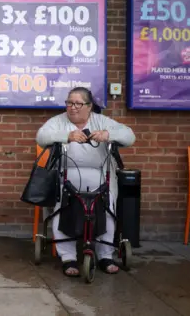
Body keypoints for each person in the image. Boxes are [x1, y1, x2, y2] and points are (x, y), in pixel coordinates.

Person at [35, 87, 135, 277]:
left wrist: (108, 135)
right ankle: (68, 257)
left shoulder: (101, 120)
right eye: (69, 103)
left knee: (107, 207)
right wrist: (66, 136)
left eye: (78, 104)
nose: (72, 108)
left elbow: (129, 136)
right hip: (67, 176)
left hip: (100, 176)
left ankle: (105, 255)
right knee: (61, 208)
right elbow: (41, 137)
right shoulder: (58, 121)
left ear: (89, 107)